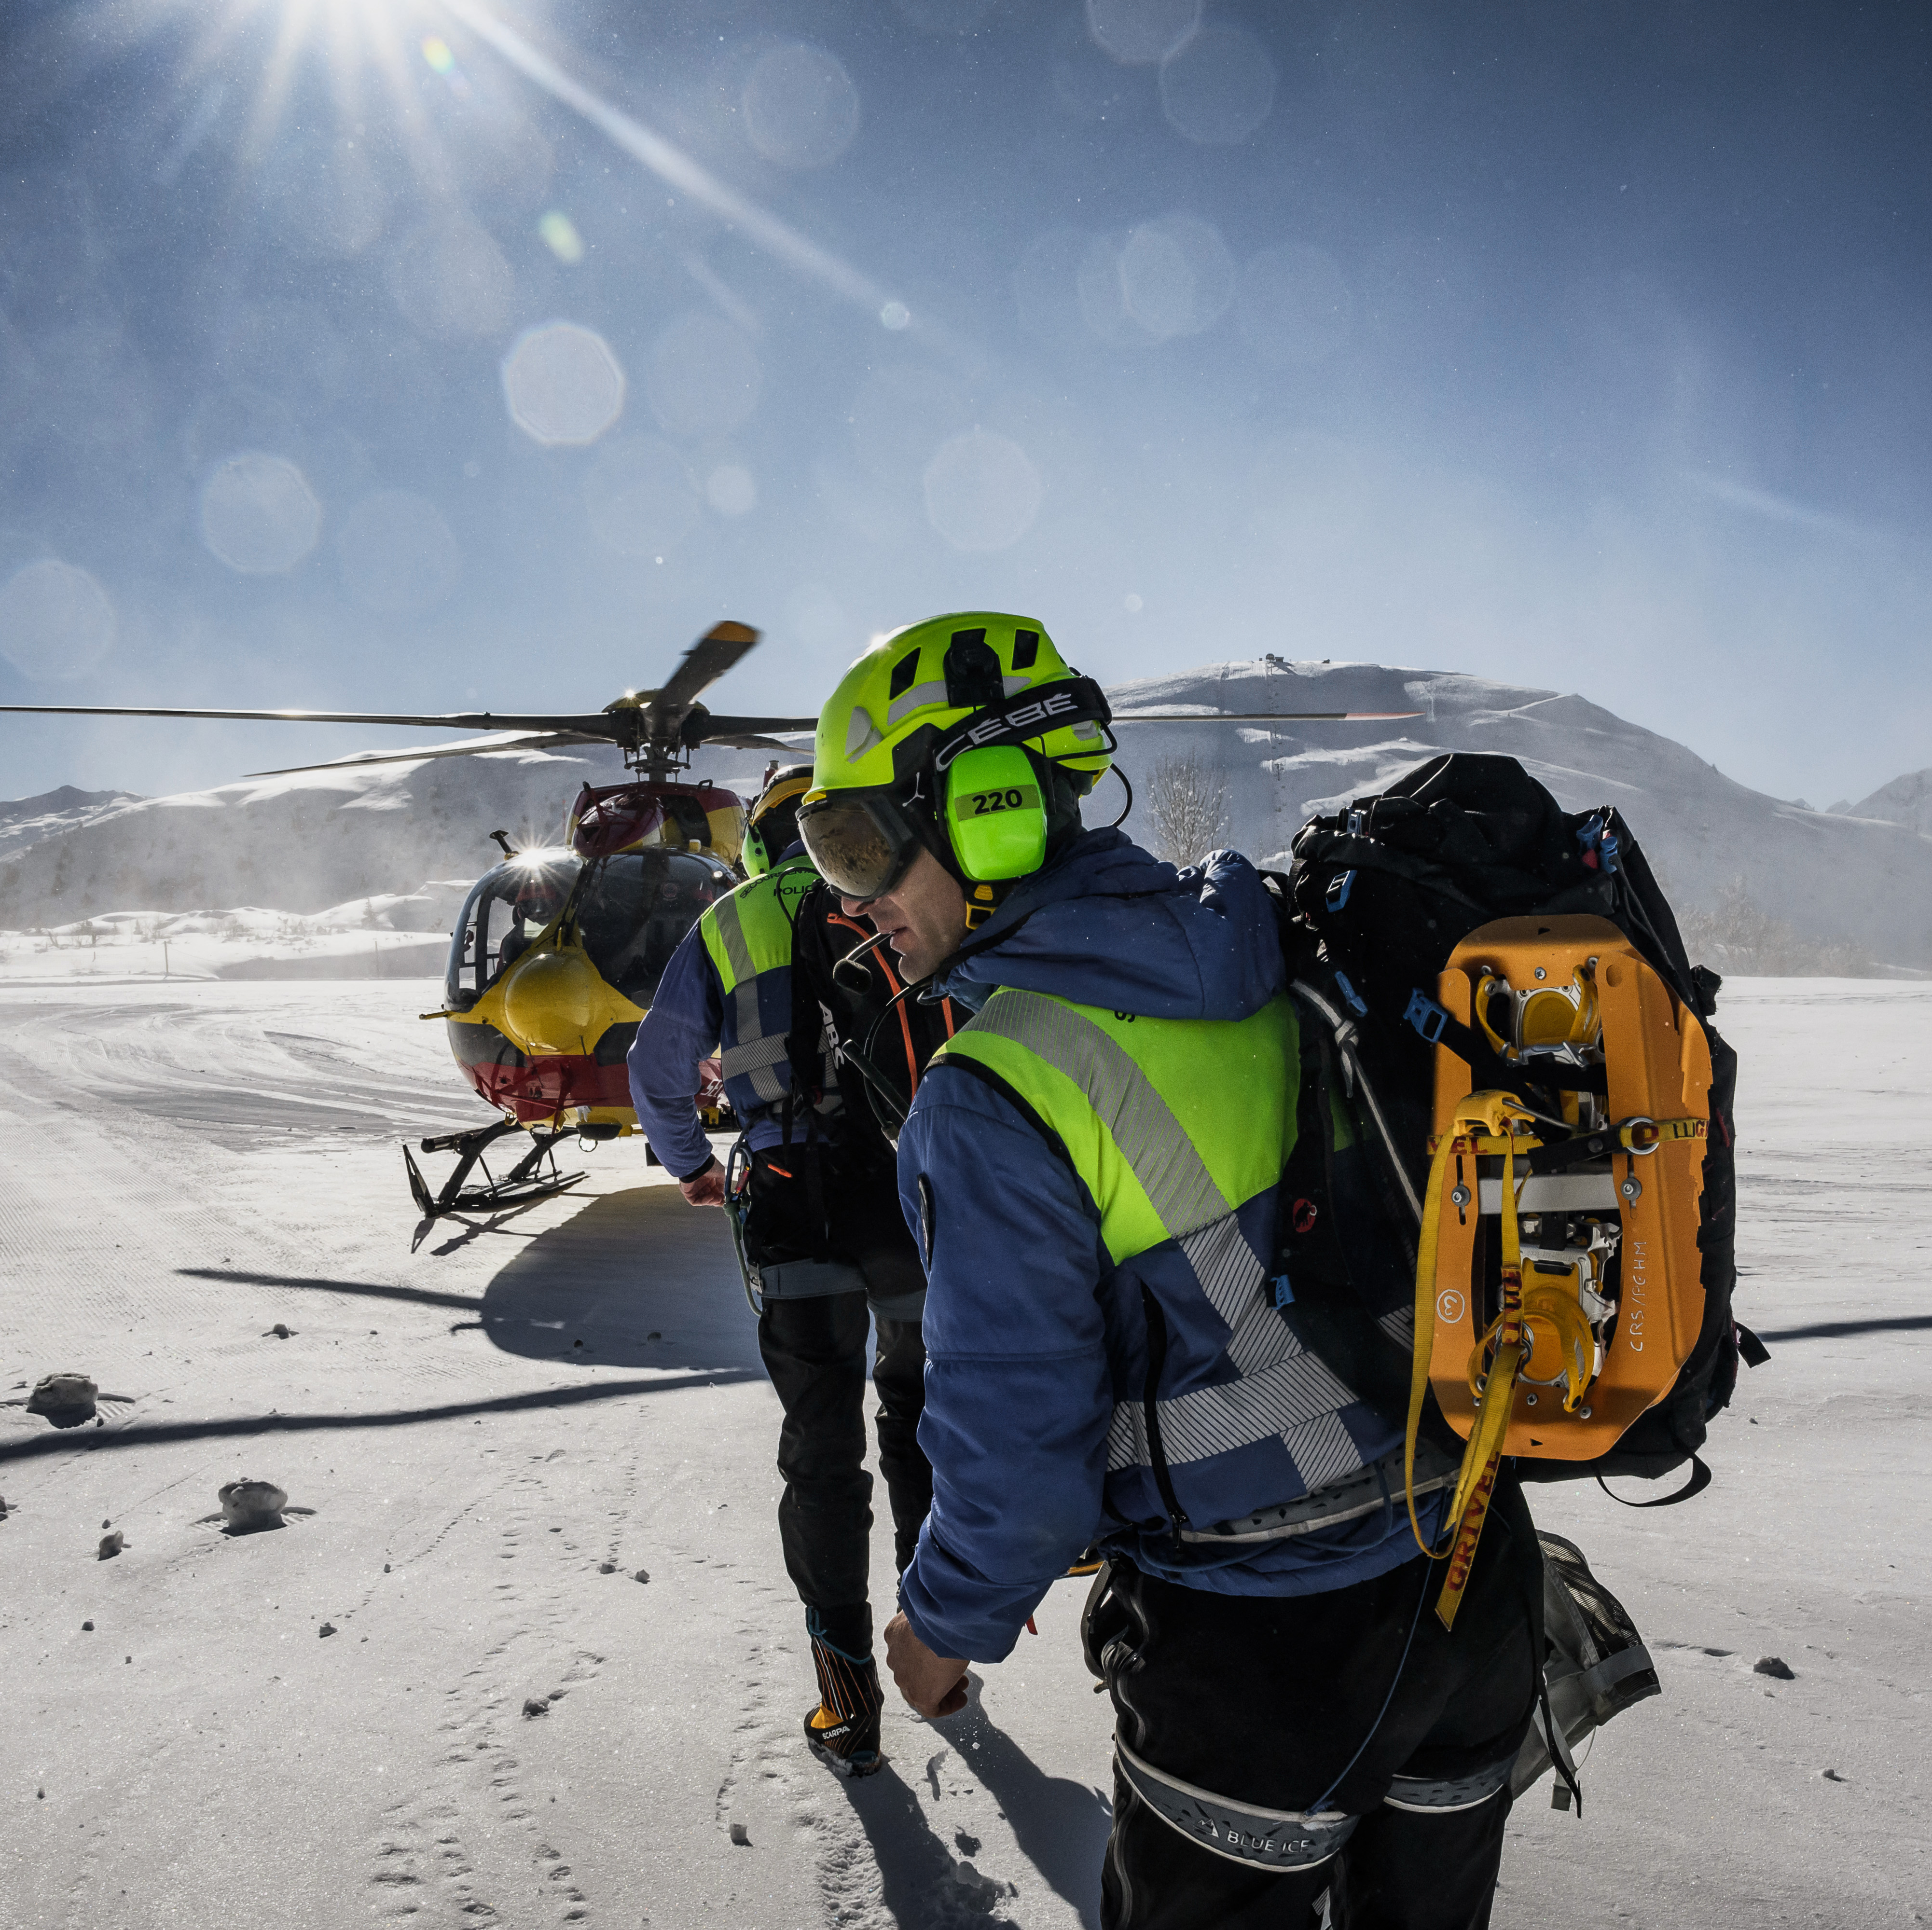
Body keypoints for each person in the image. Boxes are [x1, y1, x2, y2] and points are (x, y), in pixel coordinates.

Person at [795, 613, 1545, 1929]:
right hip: (1479, 1578)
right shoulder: (1257, 946)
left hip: (1273, 1651)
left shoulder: (997, 1090)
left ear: (984, 817)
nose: (849, 899)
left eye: (857, 843)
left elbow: (1021, 1444)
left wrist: (940, 1626)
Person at [625, 762, 956, 1776]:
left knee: (821, 1450)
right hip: (906, 1207)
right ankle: (933, 1649)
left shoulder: (729, 921)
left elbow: (656, 1063)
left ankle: (846, 1694)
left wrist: (688, 1165)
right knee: (914, 1417)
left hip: (788, 1202)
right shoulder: (899, 898)